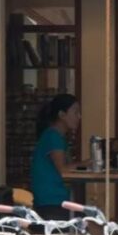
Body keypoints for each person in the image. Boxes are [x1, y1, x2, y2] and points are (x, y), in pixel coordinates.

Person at [31, 93, 80, 221]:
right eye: (75, 112)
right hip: (51, 202)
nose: (79, 117)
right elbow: (63, 170)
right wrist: (86, 164)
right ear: (62, 115)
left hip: (56, 200)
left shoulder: (56, 136)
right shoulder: (53, 137)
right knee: (92, 223)